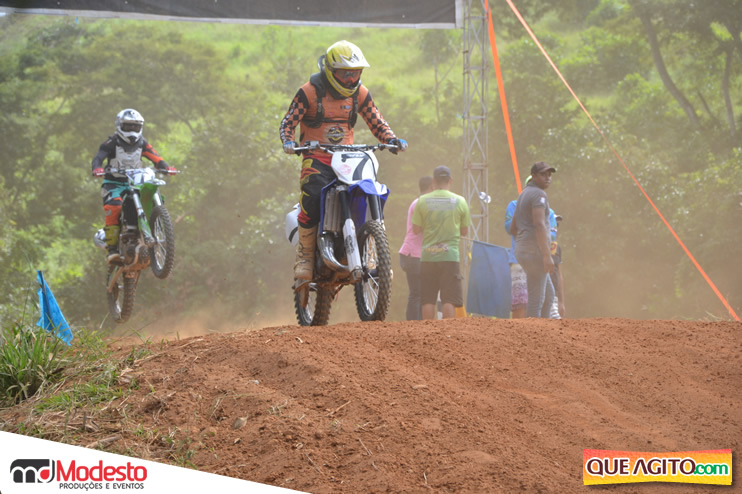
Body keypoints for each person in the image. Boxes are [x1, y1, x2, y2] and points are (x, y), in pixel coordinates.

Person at [279, 40, 407, 285]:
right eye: (345, 74)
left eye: (355, 73)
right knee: (312, 193)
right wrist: (288, 141)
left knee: (368, 191)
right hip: (317, 157)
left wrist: (391, 139)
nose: (350, 79)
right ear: (330, 71)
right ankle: (305, 255)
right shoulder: (309, 92)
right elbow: (288, 122)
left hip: (348, 158)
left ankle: (373, 252)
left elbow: (376, 121)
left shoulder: (360, 93)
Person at [91, 109, 176, 264]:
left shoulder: (142, 143)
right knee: (114, 206)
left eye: (135, 127)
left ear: (141, 127)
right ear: (119, 125)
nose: (131, 130)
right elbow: (98, 158)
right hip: (114, 183)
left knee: (149, 195)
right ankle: (112, 249)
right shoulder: (111, 143)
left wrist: (166, 167)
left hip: (136, 182)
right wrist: (97, 168)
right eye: (128, 126)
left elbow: (156, 158)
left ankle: (150, 228)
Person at [412, 166, 471, 319]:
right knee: (449, 299)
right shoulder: (460, 201)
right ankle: (448, 331)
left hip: (428, 256)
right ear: (450, 180)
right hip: (450, 256)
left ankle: (428, 331)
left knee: (428, 299)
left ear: (434, 181)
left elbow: (416, 229)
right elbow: (464, 231)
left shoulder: (422, 201)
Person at [510, 162, 556, 318]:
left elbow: (513, 228)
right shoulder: (538, 195)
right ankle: (532, 331)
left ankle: (543, 329)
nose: (547, 178)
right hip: (535, 252)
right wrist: (546, 255)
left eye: (549, 175)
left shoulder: (523, 194)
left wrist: (524, 242)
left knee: (549, 296)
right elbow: (539, 224)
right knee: (537, 299)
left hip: (523, 250)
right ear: (534, 176)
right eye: (543, 174)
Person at [399, 176, 434, 320]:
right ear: (431, 187)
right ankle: (413, 326)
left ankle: (417, 325)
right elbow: (422, 228)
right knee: (416, 294)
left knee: (420, 293)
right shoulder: (419, 204)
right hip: (412, 255)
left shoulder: (420, 203)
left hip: (416, 254)